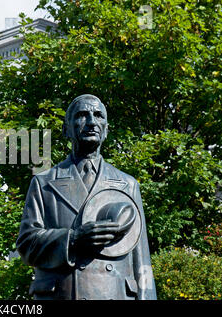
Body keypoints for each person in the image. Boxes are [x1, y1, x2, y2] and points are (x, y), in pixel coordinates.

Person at [16, 94, 157, 300]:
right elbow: (27, 244)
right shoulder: (44, 183)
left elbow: (141, 260)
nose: (92, 122)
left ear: (106, 130)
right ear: (66, 129)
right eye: (82, 115)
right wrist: (73, 238)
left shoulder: (127, 184)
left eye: (99, 116)